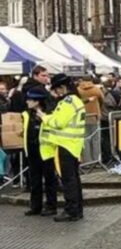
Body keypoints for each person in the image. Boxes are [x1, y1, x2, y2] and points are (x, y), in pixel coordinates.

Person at [40, 74, 86, 222]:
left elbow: (58, 122)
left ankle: (71, 210)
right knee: (74, 179)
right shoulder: (76, 100)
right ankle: (77, 209)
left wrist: (44, 117)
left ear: (62, 87)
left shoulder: (67, 102)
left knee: (68, 180)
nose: (57, 93)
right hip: (74, 144)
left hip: (64, 144)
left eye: (57, 89)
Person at [22, 86, 57, 217]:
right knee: (34, 180)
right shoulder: (26, 114)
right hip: (32, 151)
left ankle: (51, 206)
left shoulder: (49, 114)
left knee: (49, 180)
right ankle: (35, 206)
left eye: (29, 99)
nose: (27, 101)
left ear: (37, 101)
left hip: (46, 151)